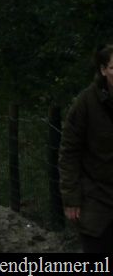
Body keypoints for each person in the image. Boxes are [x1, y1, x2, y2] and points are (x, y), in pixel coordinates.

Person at [59, 44, 113, 254]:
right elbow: (69, 151)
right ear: (103, 70)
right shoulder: (86, 103)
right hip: (96, 194)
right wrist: (71, 197)